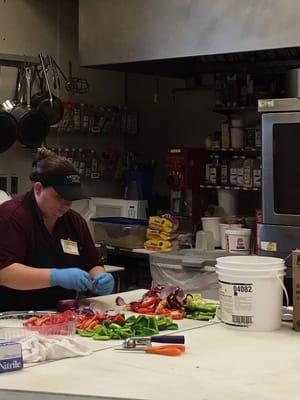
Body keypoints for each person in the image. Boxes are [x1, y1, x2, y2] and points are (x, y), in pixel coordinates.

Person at [0, 147, 115, 311]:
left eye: (71, 199)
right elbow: (5, 273)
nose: (66, 205)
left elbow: (92, 263)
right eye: (60, 197)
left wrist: (100, 277)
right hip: (13, 318)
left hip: (62, 317)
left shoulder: (74, 221)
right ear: (38, 189)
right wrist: (55, 277)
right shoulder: (11, 216)